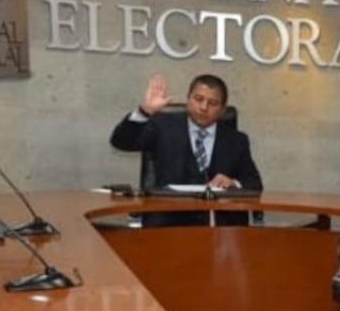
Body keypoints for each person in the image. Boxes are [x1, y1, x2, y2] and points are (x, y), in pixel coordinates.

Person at [110, 73, 262, 226]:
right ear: (188, 99)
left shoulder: (236, 140)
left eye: (213, 103)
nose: (204, 107)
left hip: (220, 228)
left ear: (222, 110)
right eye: (198, 99)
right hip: (168, 224)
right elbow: (121, 142)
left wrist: (233, 183)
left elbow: (255, 185)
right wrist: (145, 111)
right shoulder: (162, 127)